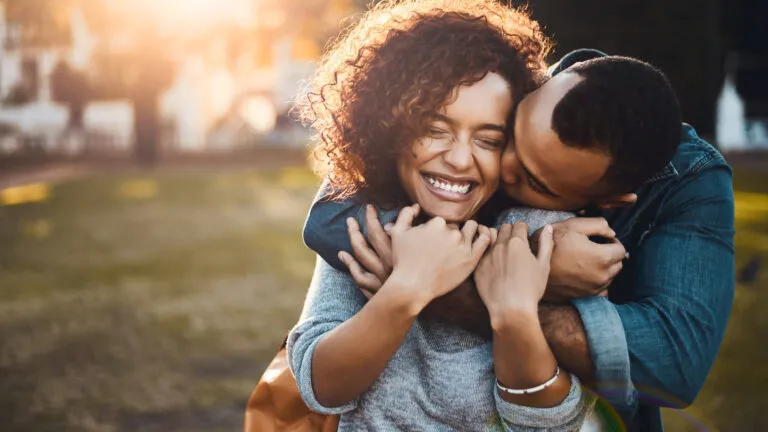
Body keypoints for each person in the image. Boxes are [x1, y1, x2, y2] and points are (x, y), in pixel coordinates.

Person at [305, 49, 735, 431]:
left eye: (532, 178)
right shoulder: (488, 104)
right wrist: (521, 266)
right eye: (509, 135)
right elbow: (329, 219)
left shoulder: (583, 235)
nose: (498, 165)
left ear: (604, 203)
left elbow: (668, 366)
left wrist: (512, 292)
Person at [287, 0, 593, 430]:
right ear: (388, 126)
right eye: (434, 130)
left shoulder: (533, 234)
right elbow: (320, 387)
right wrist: (409, 287)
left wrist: (512, 314)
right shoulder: (365, 225)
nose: (459, 159)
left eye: (488, 139)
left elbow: (553, 423)